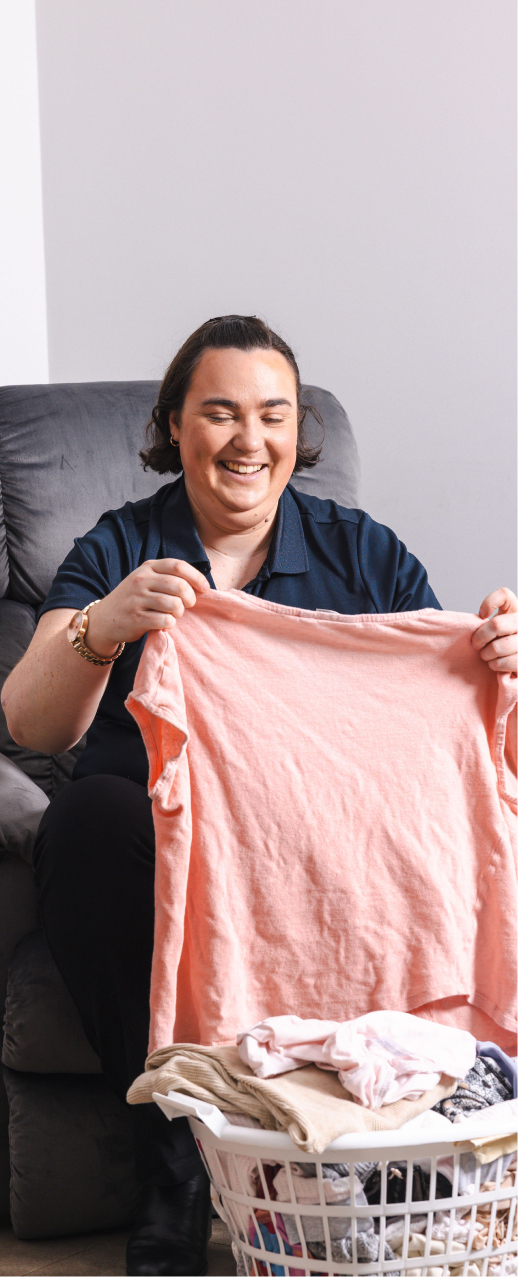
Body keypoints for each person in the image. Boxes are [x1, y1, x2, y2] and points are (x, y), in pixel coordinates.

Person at [2, 315, 516, 1277]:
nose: (249, 439)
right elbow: (33, 727)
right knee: (84, 819)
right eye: (221, 413)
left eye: (273, 415)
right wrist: (101, 629)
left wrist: (498, 664)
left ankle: (379, 1142)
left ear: (299, 434)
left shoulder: (363, 555)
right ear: (173, 425)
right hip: (144, 836)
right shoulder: (122, 544)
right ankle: (179, 1153)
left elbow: (438, 725)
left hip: (311, 842)